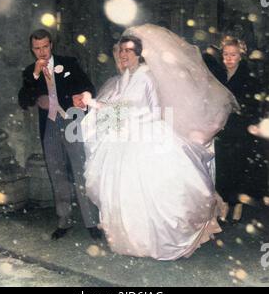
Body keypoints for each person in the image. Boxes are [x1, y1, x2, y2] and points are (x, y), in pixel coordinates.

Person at [80, 24, 238, 260]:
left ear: (138, 54)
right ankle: (137, 240)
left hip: (148, 135)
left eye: (128, 51)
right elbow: (118, 109)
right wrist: (97, 109)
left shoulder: (144, 75)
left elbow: (127, 110)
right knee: (128, 192)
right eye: (121, 50)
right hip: (128, 137)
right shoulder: (126, 77)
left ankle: (162, 242)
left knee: (154, 191)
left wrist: (92, 104)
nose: (123, 55)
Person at [18, 29, 101, 240]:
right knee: (57, 173)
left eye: (45, 46)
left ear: (51, 45)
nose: (42, 52)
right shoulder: (30, 72)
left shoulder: (69, 63)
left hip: (72, 121)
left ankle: (92, 222)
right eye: (37, 48)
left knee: (81, 170)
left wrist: (83, 96)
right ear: (32, 49)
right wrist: (35, 78)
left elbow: (88, 86)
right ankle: (64, 221)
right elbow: (24, 99)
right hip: (50, 125)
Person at [214, 36, 268, 222]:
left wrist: (239, 109)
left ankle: (236, 204)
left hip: (240, 131)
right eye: (226, 54)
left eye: (233, 55)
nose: (229, 58)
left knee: (237, 168)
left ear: (240, 56)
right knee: (221, 168)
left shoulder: (248, 78)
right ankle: (225, 203)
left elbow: (254, 105)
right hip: (221, 130)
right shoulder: (218, 76)